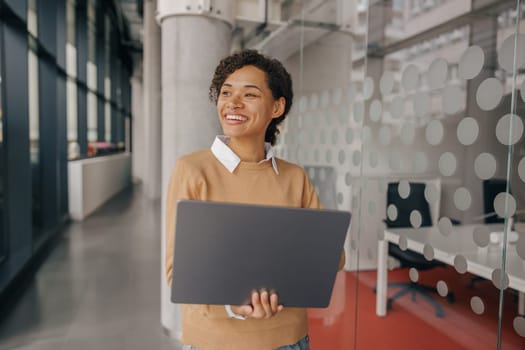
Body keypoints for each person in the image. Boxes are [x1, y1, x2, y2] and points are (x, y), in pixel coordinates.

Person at [165, 49, 345, 350]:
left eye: (249, 95)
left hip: (289, 340)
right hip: (215, 342)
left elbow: (332, 259)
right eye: (225, 93)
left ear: (277, 107)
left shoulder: (294, 176)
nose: (233, 103)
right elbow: (178, 274)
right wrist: (232, 307)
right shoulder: (192, 170)